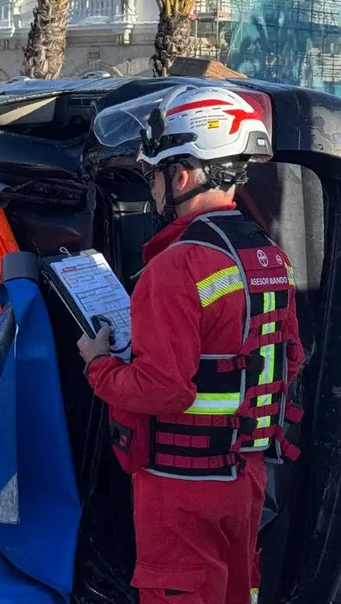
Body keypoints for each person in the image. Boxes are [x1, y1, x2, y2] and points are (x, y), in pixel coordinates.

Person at [78, 86, 304, 604]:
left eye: (154, 175)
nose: (154, 190)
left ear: (181, 175)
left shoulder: (175, 266)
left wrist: (98, 365)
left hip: (180, 488)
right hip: (244, 477)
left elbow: (163, 389)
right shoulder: (269, 256)